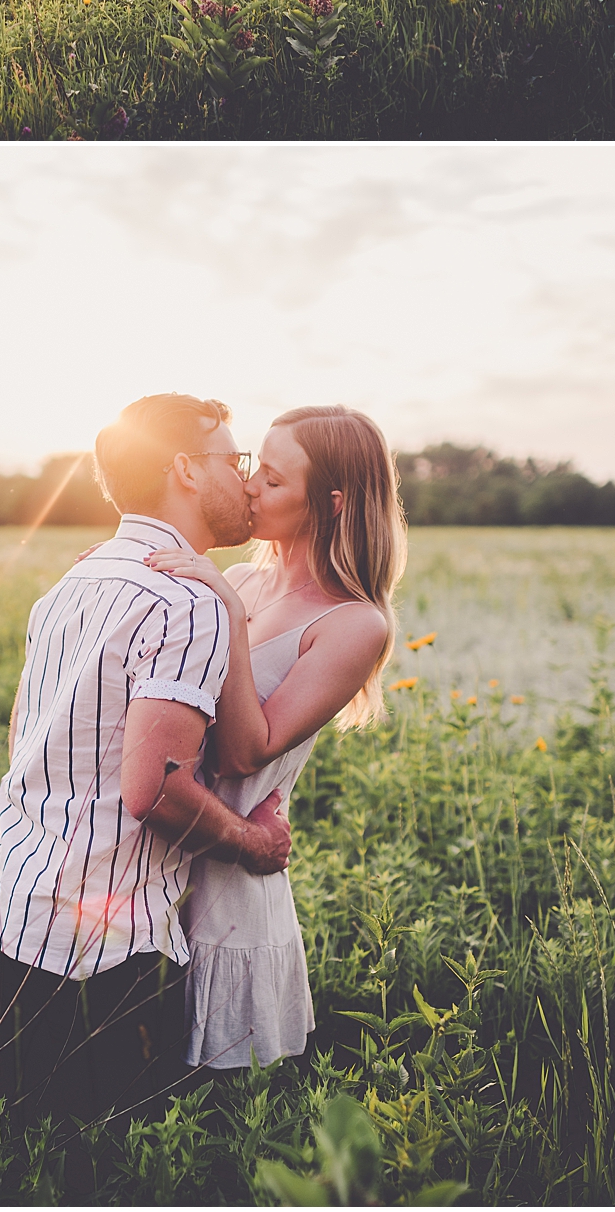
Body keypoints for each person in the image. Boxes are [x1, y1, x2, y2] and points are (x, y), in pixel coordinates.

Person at [0, 393, 292, 1177]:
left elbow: (24, 737)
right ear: (185, 467)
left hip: (10, 905)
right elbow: (157, 789)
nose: (244, 480)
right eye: (233, 459)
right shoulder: (187, 599)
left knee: (37, 1150)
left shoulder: (72, 582)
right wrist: (253, 843)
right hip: (101, 951)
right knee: (118, 1167)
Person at [144, 405, 405, 1072]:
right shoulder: (240, 578)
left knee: (231, 1114)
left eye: (276, 478)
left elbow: (242, 749)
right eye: (255, 466)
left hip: (236, 892)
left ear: (332, 502)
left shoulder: (352, 623)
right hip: (168, 865)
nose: (252, 484)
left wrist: (228, 617)